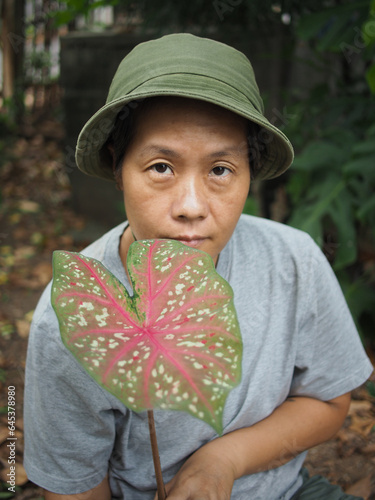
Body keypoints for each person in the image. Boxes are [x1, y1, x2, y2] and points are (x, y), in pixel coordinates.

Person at [24, 33, 373, 500]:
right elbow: (76, 488)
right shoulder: (74, 317)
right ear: (117, 165)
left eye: (221, 169)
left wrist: (222, 460)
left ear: (248, 172)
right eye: (162, 167)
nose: (191, 206)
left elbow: (329, 400)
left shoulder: (293, 260)